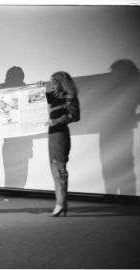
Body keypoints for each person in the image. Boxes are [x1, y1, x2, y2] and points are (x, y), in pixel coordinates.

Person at [44, 72, 80, 217]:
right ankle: (61, 203)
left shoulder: (69, 96)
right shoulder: (53, 95)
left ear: (62, 82)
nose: (51, 84)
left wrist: (57, 120)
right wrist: (37, 89)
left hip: (60, 135)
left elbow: (75, 115)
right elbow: (37, 99)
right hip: (52, 134)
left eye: (54, 82)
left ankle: (60, 204)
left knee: (59, 169)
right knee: (54, 169)